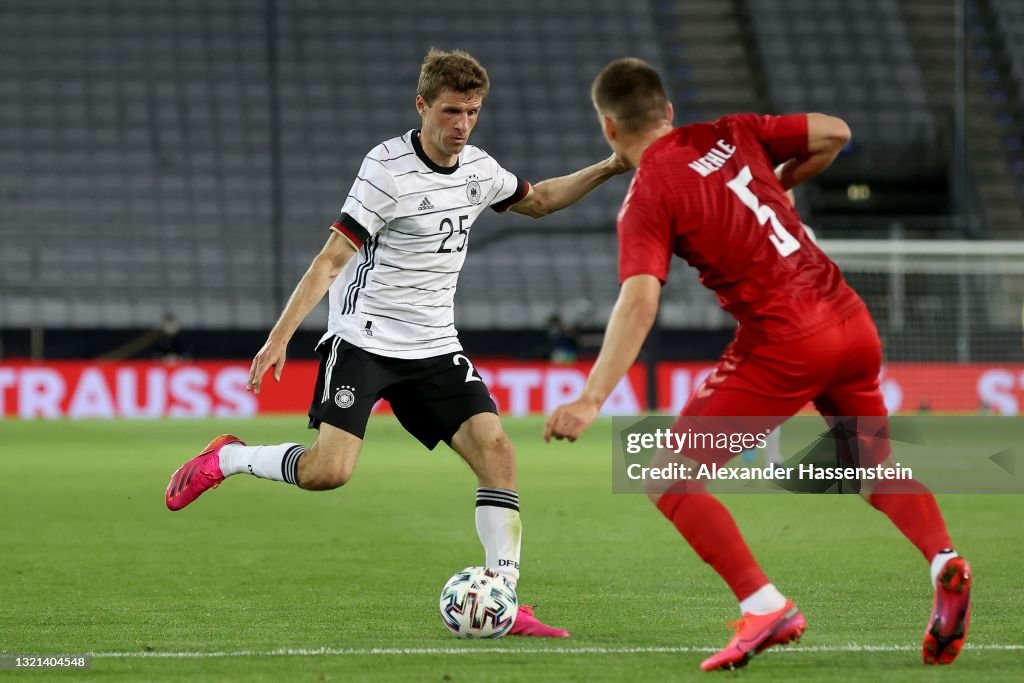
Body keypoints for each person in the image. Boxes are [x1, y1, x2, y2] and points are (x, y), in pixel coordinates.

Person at [165, 48, 628, 638]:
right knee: (327, 473)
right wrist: (279, 338)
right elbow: (333, 257)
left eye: (473, 112)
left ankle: (502, 598)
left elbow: (537, 201)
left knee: (499, 455)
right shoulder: (385, 170)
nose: (462, 125)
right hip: (365, 340)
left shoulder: (480, 169)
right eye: (452, 111)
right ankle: (228, 457)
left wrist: (611, 166)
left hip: (435, 344)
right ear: (423, 106)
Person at [544, 58, 970, 670]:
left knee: (670, 476)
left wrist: (590, 399)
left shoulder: (649, 193)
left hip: (786, 339)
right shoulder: (730, 131)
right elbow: (835, 133)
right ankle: (943, 561)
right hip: (850, 319)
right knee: (875, 464)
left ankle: (764, 604)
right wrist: (784, 177)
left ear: (608, 130)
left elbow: (639, 302)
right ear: (667, 111)